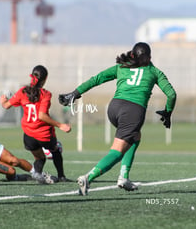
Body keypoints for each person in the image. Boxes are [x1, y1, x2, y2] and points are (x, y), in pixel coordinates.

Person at [58, 42, 176, 196]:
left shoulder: (122, 66)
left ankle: (124, 178)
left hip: (114, 108)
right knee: (117, 151)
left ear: (132, 55)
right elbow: (172, 94)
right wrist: (167, 112)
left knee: (135, 137)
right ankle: (88, 178)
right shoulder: (154, 72)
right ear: (150, 57)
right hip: (133, 112)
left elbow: (97, 79)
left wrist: (74, 93)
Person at [0, 65, 72, 184]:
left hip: (29, 136)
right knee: (56, 150)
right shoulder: (46, 94)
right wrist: (60, 125)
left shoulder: (22, 91)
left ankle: (37, 176)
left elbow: (6, 105)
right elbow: (42, 116)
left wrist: (3, 101)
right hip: (44, 135)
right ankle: (61, 177)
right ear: (44, 80)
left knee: (40, 157)